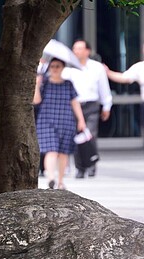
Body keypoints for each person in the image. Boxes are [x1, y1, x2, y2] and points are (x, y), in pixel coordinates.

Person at [62, 39, 113, 178]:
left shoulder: (97, 68)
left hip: (91, 105)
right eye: (74, 48)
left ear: (87, 51)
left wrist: (106, 105)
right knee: (77, 137)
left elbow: (103, 87)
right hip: (73, 106)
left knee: (90, 135)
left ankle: (91, 164)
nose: (76, 51)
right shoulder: (68, 69)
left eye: (79, 48)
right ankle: (80, 168)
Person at [34, 58, 86, 190]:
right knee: (51, 150)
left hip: (66, 121)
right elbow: (36, 101)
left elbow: (75, 103)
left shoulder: (68, 84)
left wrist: (81, 120)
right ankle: (51, 178)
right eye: (52, 66)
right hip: (47, 121)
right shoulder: (44, 83)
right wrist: (37, 85)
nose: (55, 69)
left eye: (58, 66)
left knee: (63, 152)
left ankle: (61, 181)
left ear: (63, 68)